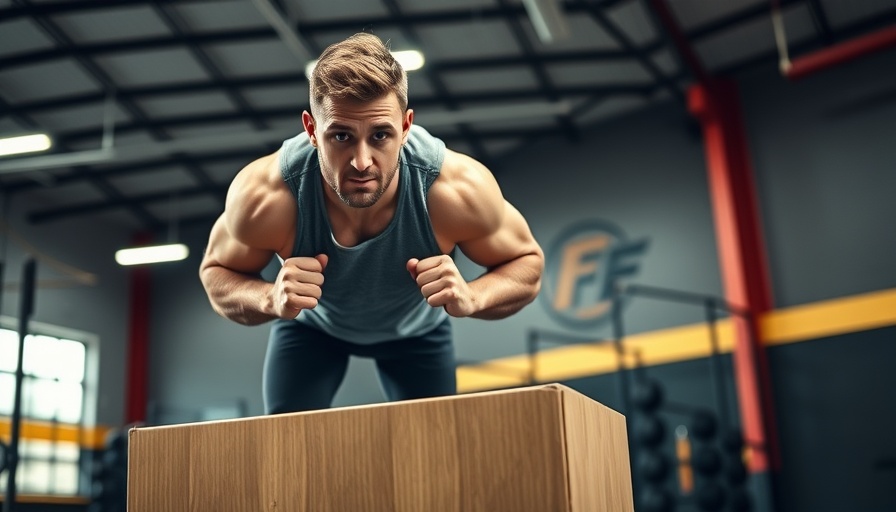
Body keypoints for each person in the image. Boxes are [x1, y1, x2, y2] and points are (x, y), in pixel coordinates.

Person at [199, 32, 544, 414]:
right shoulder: (266, 196)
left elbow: (527, 264)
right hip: (312, 331)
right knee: (288, 457)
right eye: (341, 136)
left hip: (417, 333)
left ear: (407, 126)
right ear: (312, 130)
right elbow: (216, 273)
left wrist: (473, 296)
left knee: (434, 461)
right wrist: (269, 298)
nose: (361, 161)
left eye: (380, 135)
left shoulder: (455, 190)